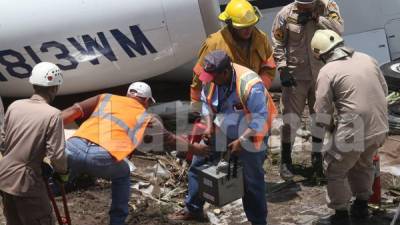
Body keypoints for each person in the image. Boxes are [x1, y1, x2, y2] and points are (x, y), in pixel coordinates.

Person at [61, 81, 210, 225]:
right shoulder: (147, 118)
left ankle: (57, 187)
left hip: (73, 146)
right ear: (146, 101)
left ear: (128, 95)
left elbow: (73, 111)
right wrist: (197, 149)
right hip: (101, 157)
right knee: (123, 173)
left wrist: (44, 126)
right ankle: (117, 221)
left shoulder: (106, 98)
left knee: (65, 169)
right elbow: (170, 140)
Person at [169, 50, 277, 225]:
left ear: (225, 73)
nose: (208, 80)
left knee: (251, 180)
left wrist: (242, 141)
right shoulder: (211, 79)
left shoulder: (250, 85)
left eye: (212, 77)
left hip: (252, 133)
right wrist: (209, 126)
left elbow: (260, 118)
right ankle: (193, 209)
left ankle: (258, 221)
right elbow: (206, 104)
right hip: (223, 127)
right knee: (198, 164)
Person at [311, 29, 388, 224]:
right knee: (363, 162)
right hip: (379, 125)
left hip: (355, 128)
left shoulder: (327, 71)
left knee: (335, 168)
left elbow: (321, 111)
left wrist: (319, 141)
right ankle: (361, 208)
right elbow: (384, 90)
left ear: (321, 54)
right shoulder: (368, 58)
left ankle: (341, 215)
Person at [271, 0, 344, 180]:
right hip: (296, 76)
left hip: (322, 74)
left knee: (320, 117)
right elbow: (277, 43)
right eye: (302, 5)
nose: (304, 7)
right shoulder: (285, 14)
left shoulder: (328, 7)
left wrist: (317, 18)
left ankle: (317, 157)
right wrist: (282, 68)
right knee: (291, 119)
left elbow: (339, 30)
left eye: (309, 4)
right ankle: (286, 161)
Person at [0, 62, 68, 225]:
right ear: (54, 88)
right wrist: (62, 173)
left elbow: (3, 142)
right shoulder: (53, 114)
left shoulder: (15, 106)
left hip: (4, 177)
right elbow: (57, 155)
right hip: (26, 183)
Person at [190, 0, 276, 112]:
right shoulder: (214, 44)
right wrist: (197, 107)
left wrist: (259, 90)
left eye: (250, 25)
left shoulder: (261, 38)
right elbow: (200, 76)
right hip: (225, 104)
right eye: (243, 27)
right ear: (230, 24)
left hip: (254, 100)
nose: (248, 30)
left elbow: (269, 67)